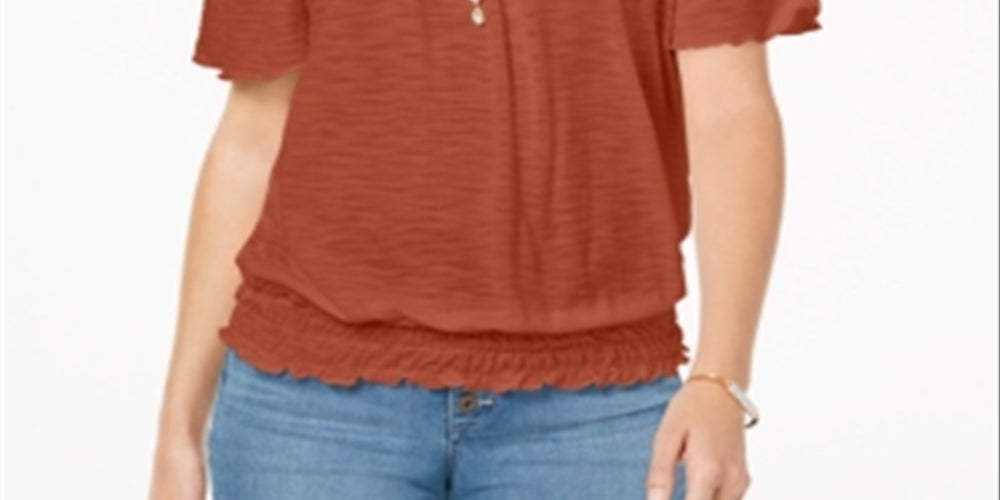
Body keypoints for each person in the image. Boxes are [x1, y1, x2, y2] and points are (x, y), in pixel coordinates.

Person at [149, 0, 821, 499]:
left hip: (598, 406)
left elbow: (732, 111)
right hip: (310, 407)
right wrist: (178, 430)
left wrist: (721, 379)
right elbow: (255, 133)